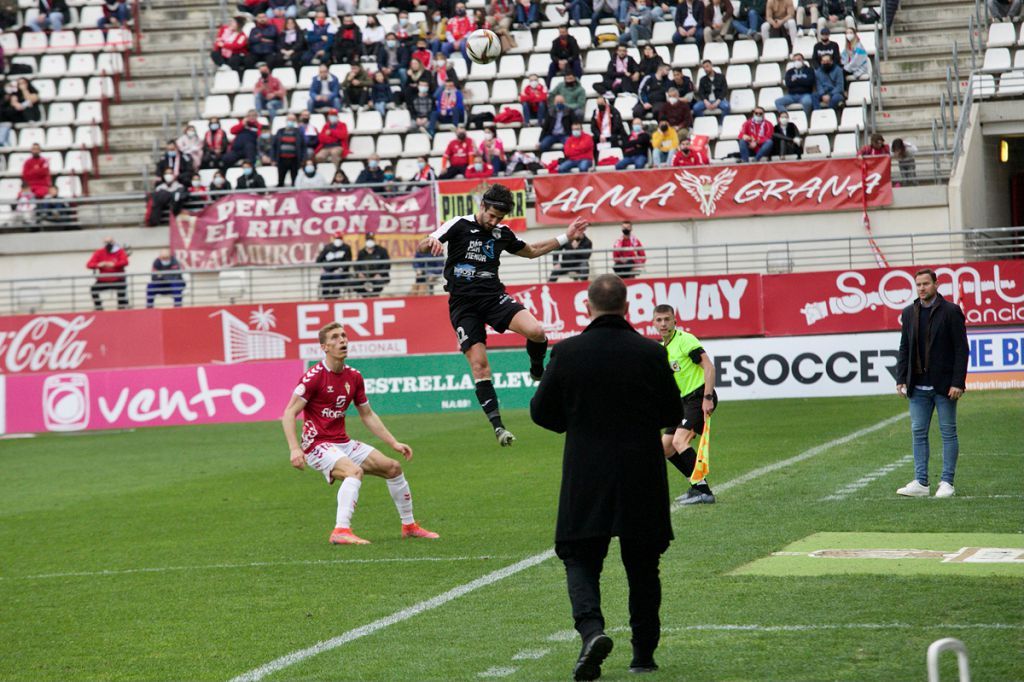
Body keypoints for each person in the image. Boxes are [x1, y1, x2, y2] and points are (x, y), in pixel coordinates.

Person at [530, 275, 683, 680]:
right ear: (627, 307)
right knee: (643, 564)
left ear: (588, 307)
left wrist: (574, 422)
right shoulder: (650, 353)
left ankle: (592, 631)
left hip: (587, 471)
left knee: (579, 557)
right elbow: (672, 410)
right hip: (641, 470)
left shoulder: (568, 352)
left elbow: (541, 412)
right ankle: (643, 654)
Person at [418, 184, 589, 446]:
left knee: (537, 332)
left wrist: (565, 237)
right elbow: (424, 243)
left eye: (500, 217)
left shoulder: (501, 233)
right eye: (492, 215)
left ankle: (536, 370)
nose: (495, 221)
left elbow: (530, 251)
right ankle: (498, 427)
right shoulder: (459, 224)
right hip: (464, 306)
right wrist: (428, 242)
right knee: (479, 365)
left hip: (492, 298)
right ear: (482, 206)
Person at [282, 322, 439, 545]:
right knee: (353, 472)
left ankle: (409, 526)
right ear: (324, 347)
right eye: (335, 338)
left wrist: (393, 442)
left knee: (393, 468)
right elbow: (289, 412)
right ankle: (341, 530)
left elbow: (367, 414)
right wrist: (294, 449)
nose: (342, 341)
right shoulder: (314, 377)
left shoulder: (354, 376)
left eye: (344, 336)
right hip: (317, 445)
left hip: (342, 443)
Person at [894, 269, 969, 499]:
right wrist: (900, 377)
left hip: (945, 385)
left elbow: (961, 349)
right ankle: (922, 482)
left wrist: (958, 382)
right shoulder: (909, 313)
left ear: (936, 284)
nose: (922, 288)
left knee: (948, 432)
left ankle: (947, 482)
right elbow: (904, 347)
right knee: (918, 433)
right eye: (918, 284)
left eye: (926, 283)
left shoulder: (950, 311)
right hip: (917, 386)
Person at [653, 304, 718, 505]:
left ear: (675, 321)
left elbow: (708, 366)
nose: (663, 324)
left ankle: (704, 492)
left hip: (699, 397)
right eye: (659, 320)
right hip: (683, 402)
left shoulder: (684, 340)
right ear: (654, 323)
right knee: (665, 447)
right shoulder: (664, 347)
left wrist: (707, 398)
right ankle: (695, 485)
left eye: (667, 319)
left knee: (680, 441)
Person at [87, 236, 129, 310]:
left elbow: (125, 262)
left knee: (122, 288)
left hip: (117, 279)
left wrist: (114, 264)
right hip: (103, 280)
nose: (108, 244)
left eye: (110, 242)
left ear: (114, 242)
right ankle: (99, 307)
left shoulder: (120, 251)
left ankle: (121, 308)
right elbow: (89, 264)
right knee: (93, 289)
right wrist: (98, 264)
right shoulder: (99, 252)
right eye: (106, 242)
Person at [774, 53, 815, 119]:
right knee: (778, 102)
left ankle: (805, 119)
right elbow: (789, 84)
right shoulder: (789, 72)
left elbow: (809, 82)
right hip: (792, 95)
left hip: (805, 94)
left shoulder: (809, 70)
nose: (797, 61)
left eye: (799, 59)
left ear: (803, 60)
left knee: (807, 102)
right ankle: (786, 117)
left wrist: (796, 80)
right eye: (795, 60)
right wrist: (802, 80)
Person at [273, 114, 307, 186]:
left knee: (295, 181)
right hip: (282, 159)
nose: (290, 121)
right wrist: (273, 159)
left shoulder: (298, 132)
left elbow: (303, 146)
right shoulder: (280, 131)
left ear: (295, 122)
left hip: (294, 160)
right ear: (286, 121)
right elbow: (274, 146)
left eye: (292, 120)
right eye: (289, 120)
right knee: (280, 181)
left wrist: (303, 159)